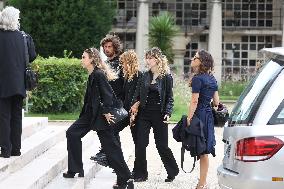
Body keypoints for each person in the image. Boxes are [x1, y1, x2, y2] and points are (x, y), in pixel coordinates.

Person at [63, 48, 133, 189]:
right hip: (90, 115)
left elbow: (107, 94)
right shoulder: (93, 75)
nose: (82, 59)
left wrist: (107, 111)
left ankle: (126, 178)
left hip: (101, 116)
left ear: (92, 59)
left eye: (84, 57)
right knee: (72, 133)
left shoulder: (99, 74)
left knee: (111, 148)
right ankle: (75, 169)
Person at [130, 47, 179, 182]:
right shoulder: (145, 75)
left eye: (150, 57)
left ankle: (172, 171)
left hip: (159, 114)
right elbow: (138, 95)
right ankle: (141, 174)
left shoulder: (166, 77)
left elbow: (169, 97)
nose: (148, 60)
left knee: (161, 145)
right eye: (147, 57)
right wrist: (135, 103)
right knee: (140, 144)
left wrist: (168, 112)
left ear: (157, 59)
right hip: (144, 114)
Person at [0, 6, 36, 158]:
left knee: (3, 116)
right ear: (15, 20)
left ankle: (5, 150)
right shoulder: (24, 37)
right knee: (16, 116)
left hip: (2, 83)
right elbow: (32, 56)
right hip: (19, 83)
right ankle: (16, 149)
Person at [187, 49, 219, 189]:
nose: (192, 60)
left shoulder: (197, 79)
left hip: (199, 115)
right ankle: (202, 181)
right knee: (204, 149)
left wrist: (189, 118)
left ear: (202, 62)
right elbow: (217, 102)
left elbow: (194, 101)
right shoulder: (212, 78)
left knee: (202, 150)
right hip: (208, 116)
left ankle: (202, 183)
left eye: (195, 58)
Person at [91, 34, 125, 164]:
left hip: (117, 102)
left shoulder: (121, 64)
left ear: (115, 47)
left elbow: (123, 83)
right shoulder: (104, 64)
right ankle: (110, 156)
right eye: (105, 47)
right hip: (106, 101)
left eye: (109, 46)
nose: (106, 49)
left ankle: (109, 156)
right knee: (108, 130)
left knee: (111, 130)